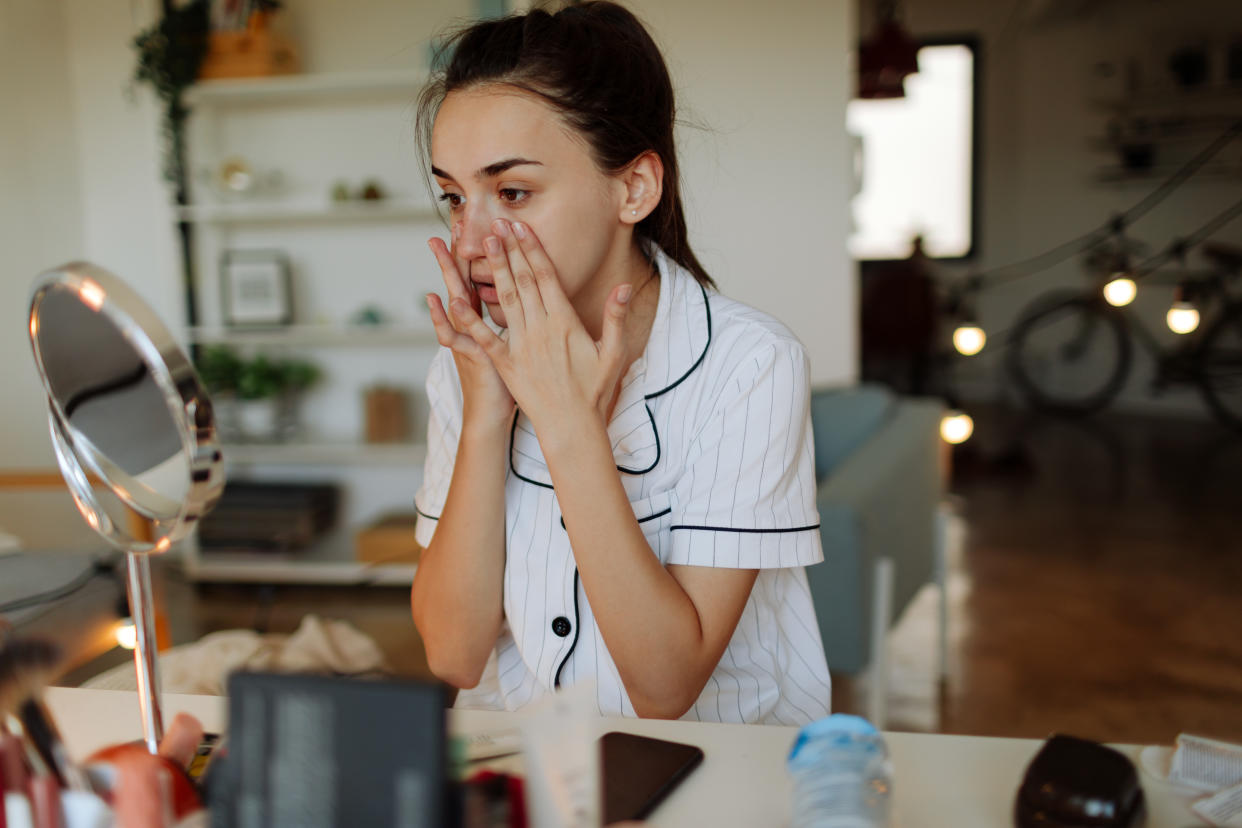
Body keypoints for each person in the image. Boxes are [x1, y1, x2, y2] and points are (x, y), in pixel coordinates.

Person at [410, 1, 831, 726]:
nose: (471, 239)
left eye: (512, 192)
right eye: (453, 196)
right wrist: (486, 417)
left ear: (633, 188)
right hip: (524, 770)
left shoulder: (749, 366)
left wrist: (571, 429)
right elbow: (453, 656)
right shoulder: (468, 363)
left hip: (715, 770)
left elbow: (665, 687)